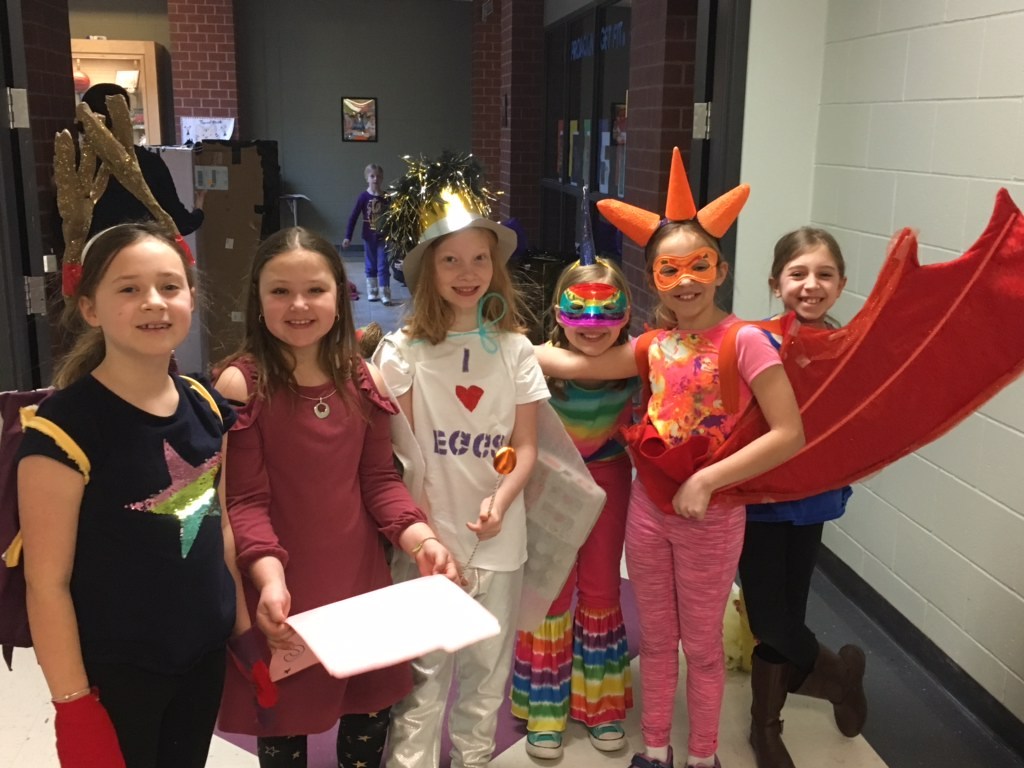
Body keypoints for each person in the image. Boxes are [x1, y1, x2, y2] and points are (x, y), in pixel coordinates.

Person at [534, 148, 804, 768]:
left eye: (698, 265)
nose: (685, 280)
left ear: (720, 268)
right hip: (650, 514)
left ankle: (702, 756)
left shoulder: (748, 342)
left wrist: (708, 480)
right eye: (669, 270)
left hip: (711, 515)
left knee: (702, 647)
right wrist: (495, 347)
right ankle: (655, 751)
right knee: (657, 642)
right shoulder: (653, 343)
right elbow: (583, 363)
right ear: (653, 277)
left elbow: (789, 432)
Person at [213, 226, 458, 768]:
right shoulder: (242, 385)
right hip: (281, 591)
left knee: (367, 726)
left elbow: (378, 482)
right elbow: (245, 501)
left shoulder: (362, 376)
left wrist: (422, 540)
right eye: (280, 291)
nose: (299, 305)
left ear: (340, 296)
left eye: (315, 290)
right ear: (257, 297)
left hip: (360, 592)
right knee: (283, 729)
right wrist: (270, 579)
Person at [16, 222, 243, 768]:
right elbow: (46, 583)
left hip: (202, 655)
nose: (153, 303)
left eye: (170, 286)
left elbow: (221, 525)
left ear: (191, 297)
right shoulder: (65, 428)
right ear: (90, 308)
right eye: (128, 288)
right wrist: (73, 705)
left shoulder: (204, 405)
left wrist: (245, 633)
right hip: (118, 672)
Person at [375, 189, 549, 768]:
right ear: (428, 270)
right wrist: (427, 533)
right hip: (427, 539)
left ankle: (474, 760)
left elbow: (524, 447)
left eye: (479, 259)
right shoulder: (403, 352)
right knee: (423, 679)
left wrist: (500, 502)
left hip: (498, 539)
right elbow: (405, 458)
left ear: (495, 268)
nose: (466, 273)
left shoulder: (516, 349)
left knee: (484, 674)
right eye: (450, 260)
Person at [738, 227, 865, 768]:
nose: (811, 285)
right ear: (776, 283)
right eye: (798, 274)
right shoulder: (755, 340)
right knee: (769, 619)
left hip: (812, 502)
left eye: (824, 274)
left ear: (840, 284)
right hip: (760, 502)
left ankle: (764, 728)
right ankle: (839, 676)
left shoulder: (850, 344)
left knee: (790, 608)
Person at [510, 257, 637, 758]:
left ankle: (601, 706)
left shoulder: (633, 359)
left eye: (607, 311)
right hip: (548, 483)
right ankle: (544, 706)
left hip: (608, 478)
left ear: (626, 314)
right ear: (558, 313)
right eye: (578, 310)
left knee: (604, 586)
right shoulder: (533, 358)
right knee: (549, 586)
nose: (591, 325)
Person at [80, 83, 206, 238]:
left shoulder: (77, 165)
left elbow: (60, 229)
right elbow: (179, 224)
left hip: (92, 257)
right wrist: (199, 210)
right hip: (140, 254)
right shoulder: (147, 163)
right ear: (124, 116)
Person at [342, 163, 391, 304]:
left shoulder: (387, 197)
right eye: (372, 176)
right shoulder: (363, 197)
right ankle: (373, 291)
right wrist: (348, 236)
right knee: (370, 264)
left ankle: (385, 292)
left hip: (383, 236)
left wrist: (393, 236)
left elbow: (392, 217)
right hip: (369, 236)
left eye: (378, 176)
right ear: (367, 178)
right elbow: (353, 217)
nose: (375, 179)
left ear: (382, 178)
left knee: (383, 264)